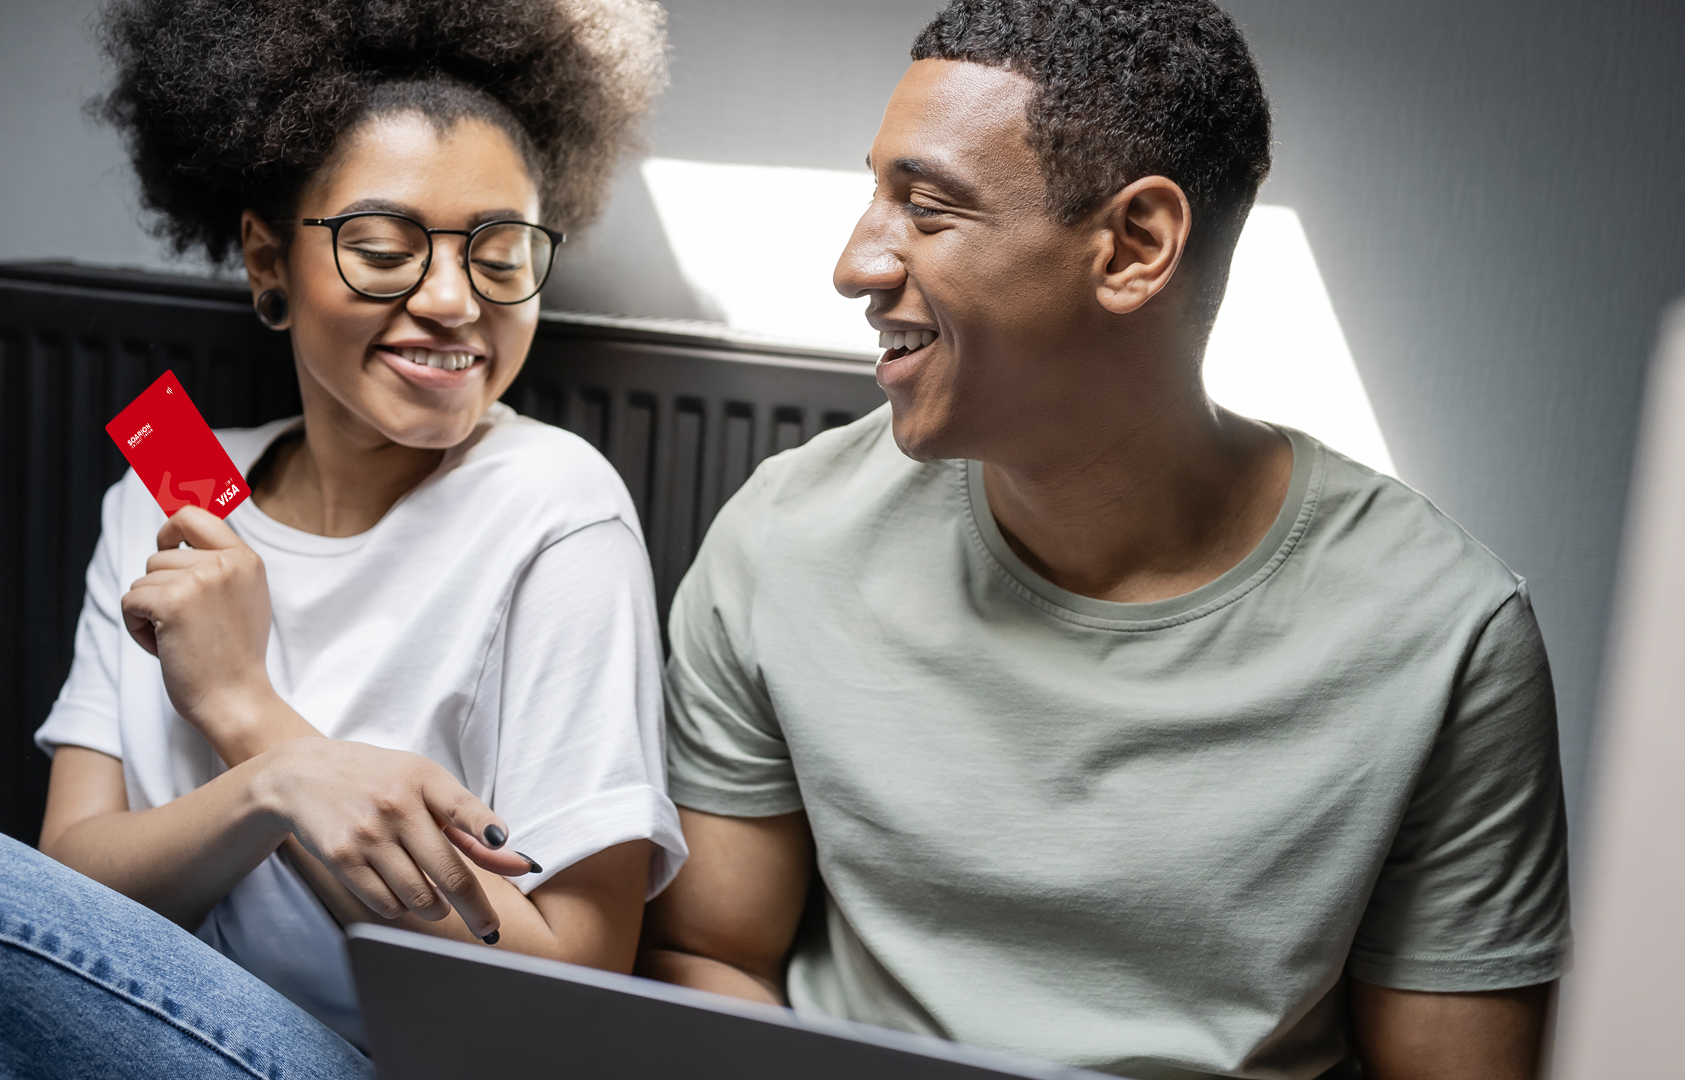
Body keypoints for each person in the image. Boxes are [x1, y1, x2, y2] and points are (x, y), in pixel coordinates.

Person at [638, 3, 1569, 1079]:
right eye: (875, 195)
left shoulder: (1448, 635)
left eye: (928, 208)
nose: (857, 263)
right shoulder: (782, 537)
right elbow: (709, 951)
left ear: (1134, 246)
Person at [0, 0, 679, 1073]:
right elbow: (73, 876)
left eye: (502, 252)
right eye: (383, 249)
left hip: (370, 1059)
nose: (452, 299)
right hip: (130, 1003)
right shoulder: (172, 486)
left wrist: (250, 717)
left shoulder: (556, 512)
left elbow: (570, 999)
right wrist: (269, 789)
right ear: (266, 261)